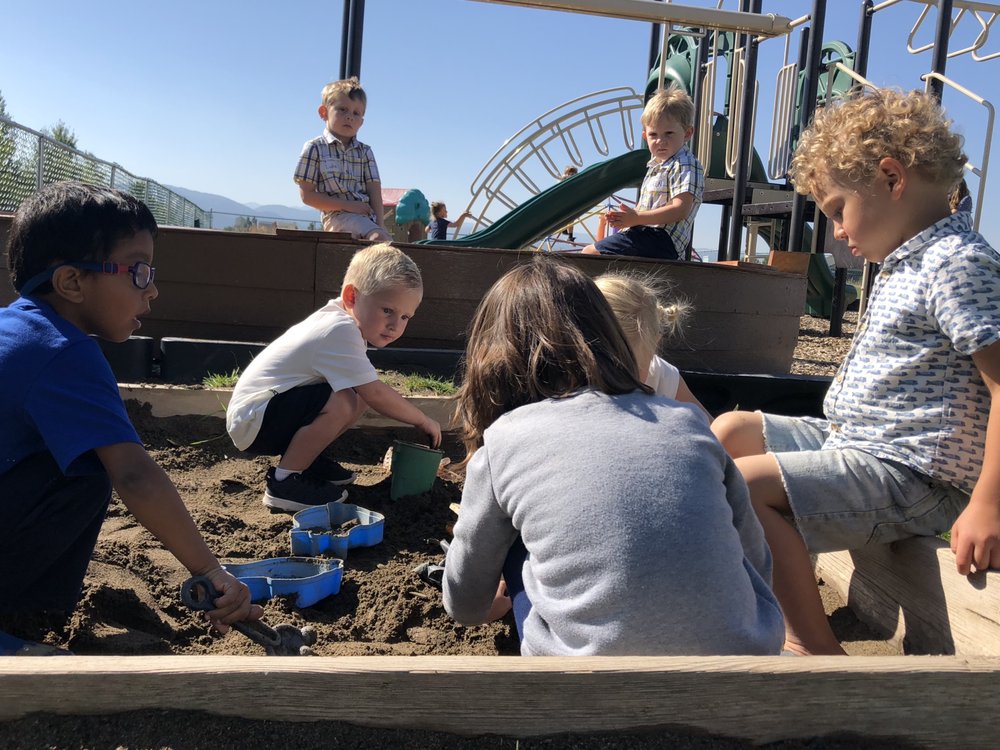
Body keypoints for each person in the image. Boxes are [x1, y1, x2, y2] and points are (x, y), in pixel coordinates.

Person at [711, 88, 1000, 656]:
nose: (837, 232)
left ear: (893, 178)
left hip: (917, 473)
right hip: (863, 443)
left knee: (744, 487)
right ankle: (782, 580)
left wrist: (988, 501)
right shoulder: (906, 260)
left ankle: (814, 651)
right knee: (729, 432)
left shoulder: (956, 264)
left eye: (839, 210)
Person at [442, 258, 784, 656]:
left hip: (593, 688)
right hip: (742, 666)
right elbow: (756, 560)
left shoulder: (503, 442)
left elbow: (463, 603)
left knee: (517, 541)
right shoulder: (686, 422)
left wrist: (495, 602)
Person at [0, 182, 260, 643]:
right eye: (138, 272)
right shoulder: (64, 351)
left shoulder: (17, 330)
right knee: (85, 472)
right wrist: (210, 570)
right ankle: (16, 625)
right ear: (72, 282)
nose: (153, 289)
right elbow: (135, 476)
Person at [226, 243, 442, 513]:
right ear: (352, 296)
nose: (395, 324)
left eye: (405, 316)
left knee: (355, 396)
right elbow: (375, 393)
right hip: (253, 422)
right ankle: (284, 483)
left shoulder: (342, 322)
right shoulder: (339, 330)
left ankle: (305, 462)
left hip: (262, 417)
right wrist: (422, 419)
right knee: (345, 401)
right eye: (387, 310)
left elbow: (367, 392)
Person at [581, 86, 704, 260]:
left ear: (687, 133)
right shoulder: (655, 166)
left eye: (669, 133)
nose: (660, 141)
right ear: (645, 136)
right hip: (646, 235)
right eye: (654, 134)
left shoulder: (684, 163)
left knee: (590, 254)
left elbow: (681, 209)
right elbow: (646, 208)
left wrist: (637, 217)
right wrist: (626, 218)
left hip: (661, 240)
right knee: (598, 253)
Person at [594, 272, 709, 420]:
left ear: (654, 347)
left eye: (628, 372)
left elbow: (709, 428)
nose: (615, 381)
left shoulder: (661, 376)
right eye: (604, 367)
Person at [294, 77, 391, 241]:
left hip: (367, 218)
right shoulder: (315, 148)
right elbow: (307, 195)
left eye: (356, 113)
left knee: (383, 240)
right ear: (324, 112)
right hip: (336, 217)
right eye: (342, 109)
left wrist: (380, 224)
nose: (349, 117)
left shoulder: (365, 152)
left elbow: (374, 191)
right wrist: (349, 206)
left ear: (361, 122)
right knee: (378, 240)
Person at [558, 166, 579, 243]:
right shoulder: (564, 179)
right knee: (569, 219)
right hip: (565, 201)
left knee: (571, 219)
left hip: (570, 201)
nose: (572, 175)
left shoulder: (575, 180)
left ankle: (568, 234)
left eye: (574, 173)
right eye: (570, 173)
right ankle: (567, 233)